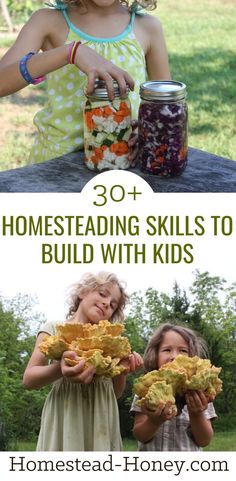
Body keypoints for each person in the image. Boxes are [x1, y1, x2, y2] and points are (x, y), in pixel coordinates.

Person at [0, 0, 170, 164]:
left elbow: (166, 106)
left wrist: (148, 130)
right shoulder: (47, 21)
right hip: (56, 166)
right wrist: (70, 52)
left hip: (122, 160)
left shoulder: (148, 27)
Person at [23, 271, 143, 451]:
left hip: (102, 417)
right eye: (102, 294)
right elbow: (29, 379)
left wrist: (121, 372)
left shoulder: (111, 341)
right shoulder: (53, 329)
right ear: (82, 292)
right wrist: (60, 369)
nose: (106, 303)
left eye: (113, 305)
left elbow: (115, 393)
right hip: (65, 414)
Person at [131, 323, 217, 451]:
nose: (174, 356)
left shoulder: (201, 391)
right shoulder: (147, 390)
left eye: (183, 350)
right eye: (167, 350)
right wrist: (154, 422)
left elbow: (204, 440)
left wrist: (197, 414)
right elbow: (140, 435)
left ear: (193, 358)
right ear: (155, 355)